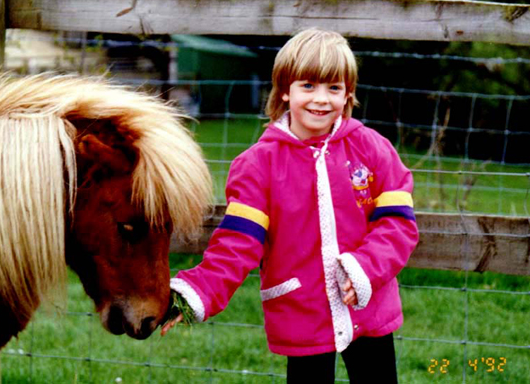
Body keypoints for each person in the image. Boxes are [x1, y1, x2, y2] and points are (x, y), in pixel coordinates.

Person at [162, 28, 419, 383]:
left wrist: (365, 268)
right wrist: (197, 293)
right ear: (285, 89)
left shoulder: (373, 149)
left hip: (368, 307)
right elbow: (238, 242)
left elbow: (398, 224)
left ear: (348, 94)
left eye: (334, 88)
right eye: (308, 86)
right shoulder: (257, 165)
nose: (321, 99)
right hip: (302, 313)